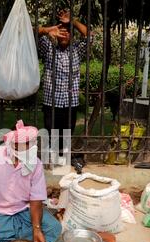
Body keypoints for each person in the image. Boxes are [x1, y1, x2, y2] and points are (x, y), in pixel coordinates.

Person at [0, 120, 62, 242]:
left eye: (29, 144)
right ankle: (22, 240)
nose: (26, 148)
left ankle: (11, 240)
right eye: (21, 145)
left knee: (54, 228)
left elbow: (36, 200)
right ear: (11, 144)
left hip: (24, 211)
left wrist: (36, 228)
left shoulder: (35, 163)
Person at [38, 10, 88, 157]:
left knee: (66, 136)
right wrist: (48, 30)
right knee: (51, 134)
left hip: (70, 103)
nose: (64, 34)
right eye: (62, 32)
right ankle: (52, 163)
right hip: (51, 103)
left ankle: (62, 162)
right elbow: (33, 33)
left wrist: (72, 21)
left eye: (67, 32)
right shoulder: (48, 48)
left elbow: (89, 36)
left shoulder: (77, 50)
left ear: (71, 36)